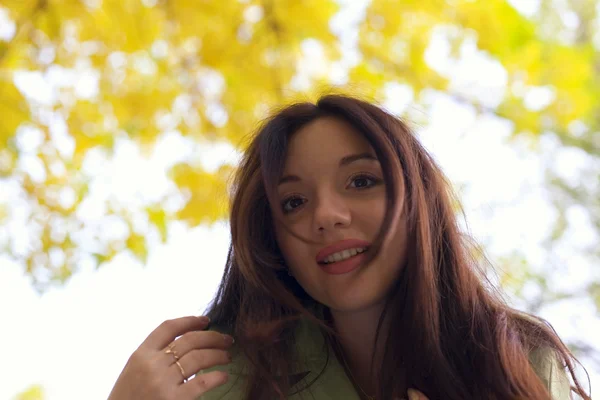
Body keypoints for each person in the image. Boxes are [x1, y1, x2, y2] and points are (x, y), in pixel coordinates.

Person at [107, 94, 591, 400]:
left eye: (361, 181)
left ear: (418, 204)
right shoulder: (220, 382)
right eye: (293, 202)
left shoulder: (517, 362)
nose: (326, 216)